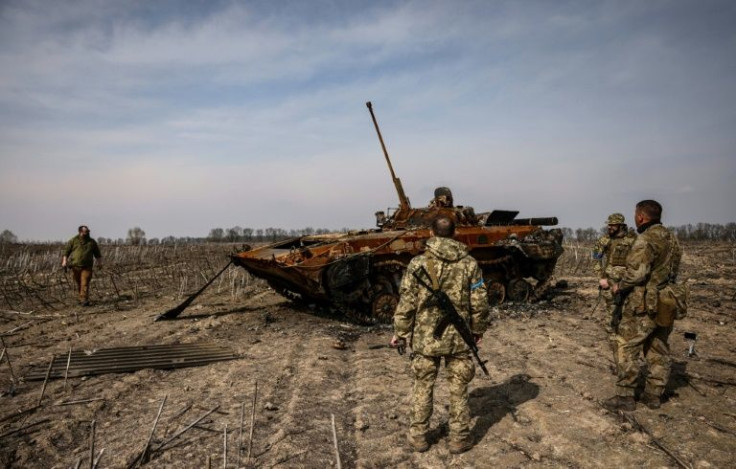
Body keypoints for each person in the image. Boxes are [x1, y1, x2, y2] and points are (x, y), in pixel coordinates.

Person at [390, 215, 489, 454]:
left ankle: (419, 437)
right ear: (455, 234)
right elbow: (480, 301)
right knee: (459, 388)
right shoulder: (469, 263)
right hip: (459, 338)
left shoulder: (417, 264)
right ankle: (459, 438)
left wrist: (400, 332)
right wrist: (477, 330)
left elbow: (407, 302)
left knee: (423, 386)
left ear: (431, 234)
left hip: (425, 339)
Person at [603, 200, 682, 412]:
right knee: (658, 346)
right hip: (667, 300)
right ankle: (653, 394)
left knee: (626, 345)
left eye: (635, 215)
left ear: (641, 216)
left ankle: (625, 396)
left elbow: (636, 274)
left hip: (644, 303)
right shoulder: (672, 239)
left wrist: (619, 286)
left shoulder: (645, 240)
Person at [592, 213, 637, 369]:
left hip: (629, 288)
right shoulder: (604, 240)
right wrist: (601, 277)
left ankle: (628, 363)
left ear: (621, 225)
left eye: (613, 225)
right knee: (611, 324)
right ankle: (619, 363)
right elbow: (596, 257)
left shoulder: (633, 240)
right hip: (610, 287)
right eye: (608, 225)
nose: (609, 227)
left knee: (629, 325)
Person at [62, 225, 102, 306]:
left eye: (88, 231)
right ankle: (81, 298)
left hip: (87, 267)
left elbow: (97, 254)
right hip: (75, 267)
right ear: (80, 232)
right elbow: (66, 252)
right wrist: (64, 261)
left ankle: (84, 300)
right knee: (79, 283)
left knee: (85, 282)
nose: (87, 233)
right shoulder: (73, 241)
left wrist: (99, 263)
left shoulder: (92, 242)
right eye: (86, 231)